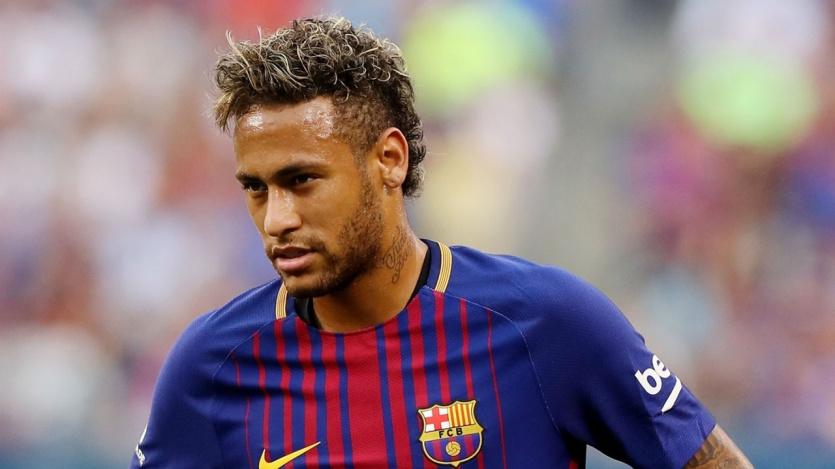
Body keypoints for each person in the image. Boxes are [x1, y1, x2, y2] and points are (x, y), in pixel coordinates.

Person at [131, 17, 753, 469]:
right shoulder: (211, 367)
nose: (276, 219)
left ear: (389, 160)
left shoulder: (550, 324)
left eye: (302, 181)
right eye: (256, 188)